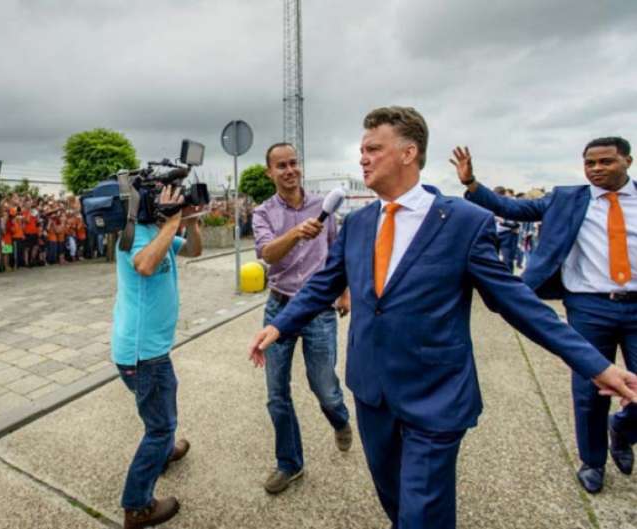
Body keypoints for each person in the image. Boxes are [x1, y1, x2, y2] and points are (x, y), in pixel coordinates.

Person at [249, 107, 637, 529]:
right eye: (361, 150)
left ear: (408, 153)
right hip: (372, 390)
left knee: (423, 514)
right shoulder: (358, 223)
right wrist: (278, 325)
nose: (363, 158)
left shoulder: (464, 222)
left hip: (436, 395)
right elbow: (324, 284)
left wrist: (594, 364)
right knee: (394, 498)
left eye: (373, 149)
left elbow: (516, 302)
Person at [452, 137, 637, 493]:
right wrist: (472, 185)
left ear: (627, 161)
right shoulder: (567, 199)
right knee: (588, 388)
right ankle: (593, 462)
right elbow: (512, 209)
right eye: (590, 163)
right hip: (589, 305)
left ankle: (624, 429)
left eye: (605, 162)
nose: (596, 169)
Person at [251, 142, 352, 494]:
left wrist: (345, 291)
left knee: (324, 388)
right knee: (277, 395)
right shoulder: (262, 213)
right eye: (281, 165)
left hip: (319, 309)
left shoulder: (324, 205)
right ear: (270, 172)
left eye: (294, 163)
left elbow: (339, 252)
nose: (290, 170)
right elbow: (267, 255)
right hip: (279, 308)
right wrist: (295, 233)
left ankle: (340, 420)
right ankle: (289, 464)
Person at [112, 185, 202, 529]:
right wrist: (170, 223)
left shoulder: (155, 231)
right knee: (160, 426)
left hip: (153, 349)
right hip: (142, 352)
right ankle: (137, 506)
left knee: (164, 405)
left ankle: (163, 454)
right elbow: (145, 265)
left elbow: (192, 251)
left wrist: (190, 222)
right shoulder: (135, 234)